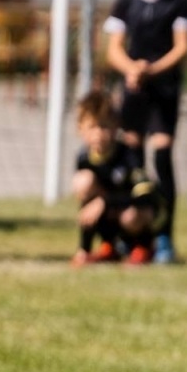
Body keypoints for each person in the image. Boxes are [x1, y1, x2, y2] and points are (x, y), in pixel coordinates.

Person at [104, 0, 187, 264]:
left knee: (163, 157)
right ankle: (133, 236)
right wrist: (132, 69)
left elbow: (182, 47)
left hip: (163, 91)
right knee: (132, 160)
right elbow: (114, 49)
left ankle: (165, 235)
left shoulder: (178, 1)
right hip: (134, 92)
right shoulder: (125, 2)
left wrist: (151, 69)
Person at [71, 91, 156, 266]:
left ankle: (142, 246)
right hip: (109, 217)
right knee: (83, 182)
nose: (98, 133)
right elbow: (87, 205)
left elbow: (146, 197)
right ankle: (103, 247)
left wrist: (104, 201)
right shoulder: (83, 158)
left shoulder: (128, 154)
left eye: (104, 126)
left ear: (116, 125)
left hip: (131, 215)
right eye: (92, 127)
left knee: (131, 215)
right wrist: (83, 249)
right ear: (80, 129)